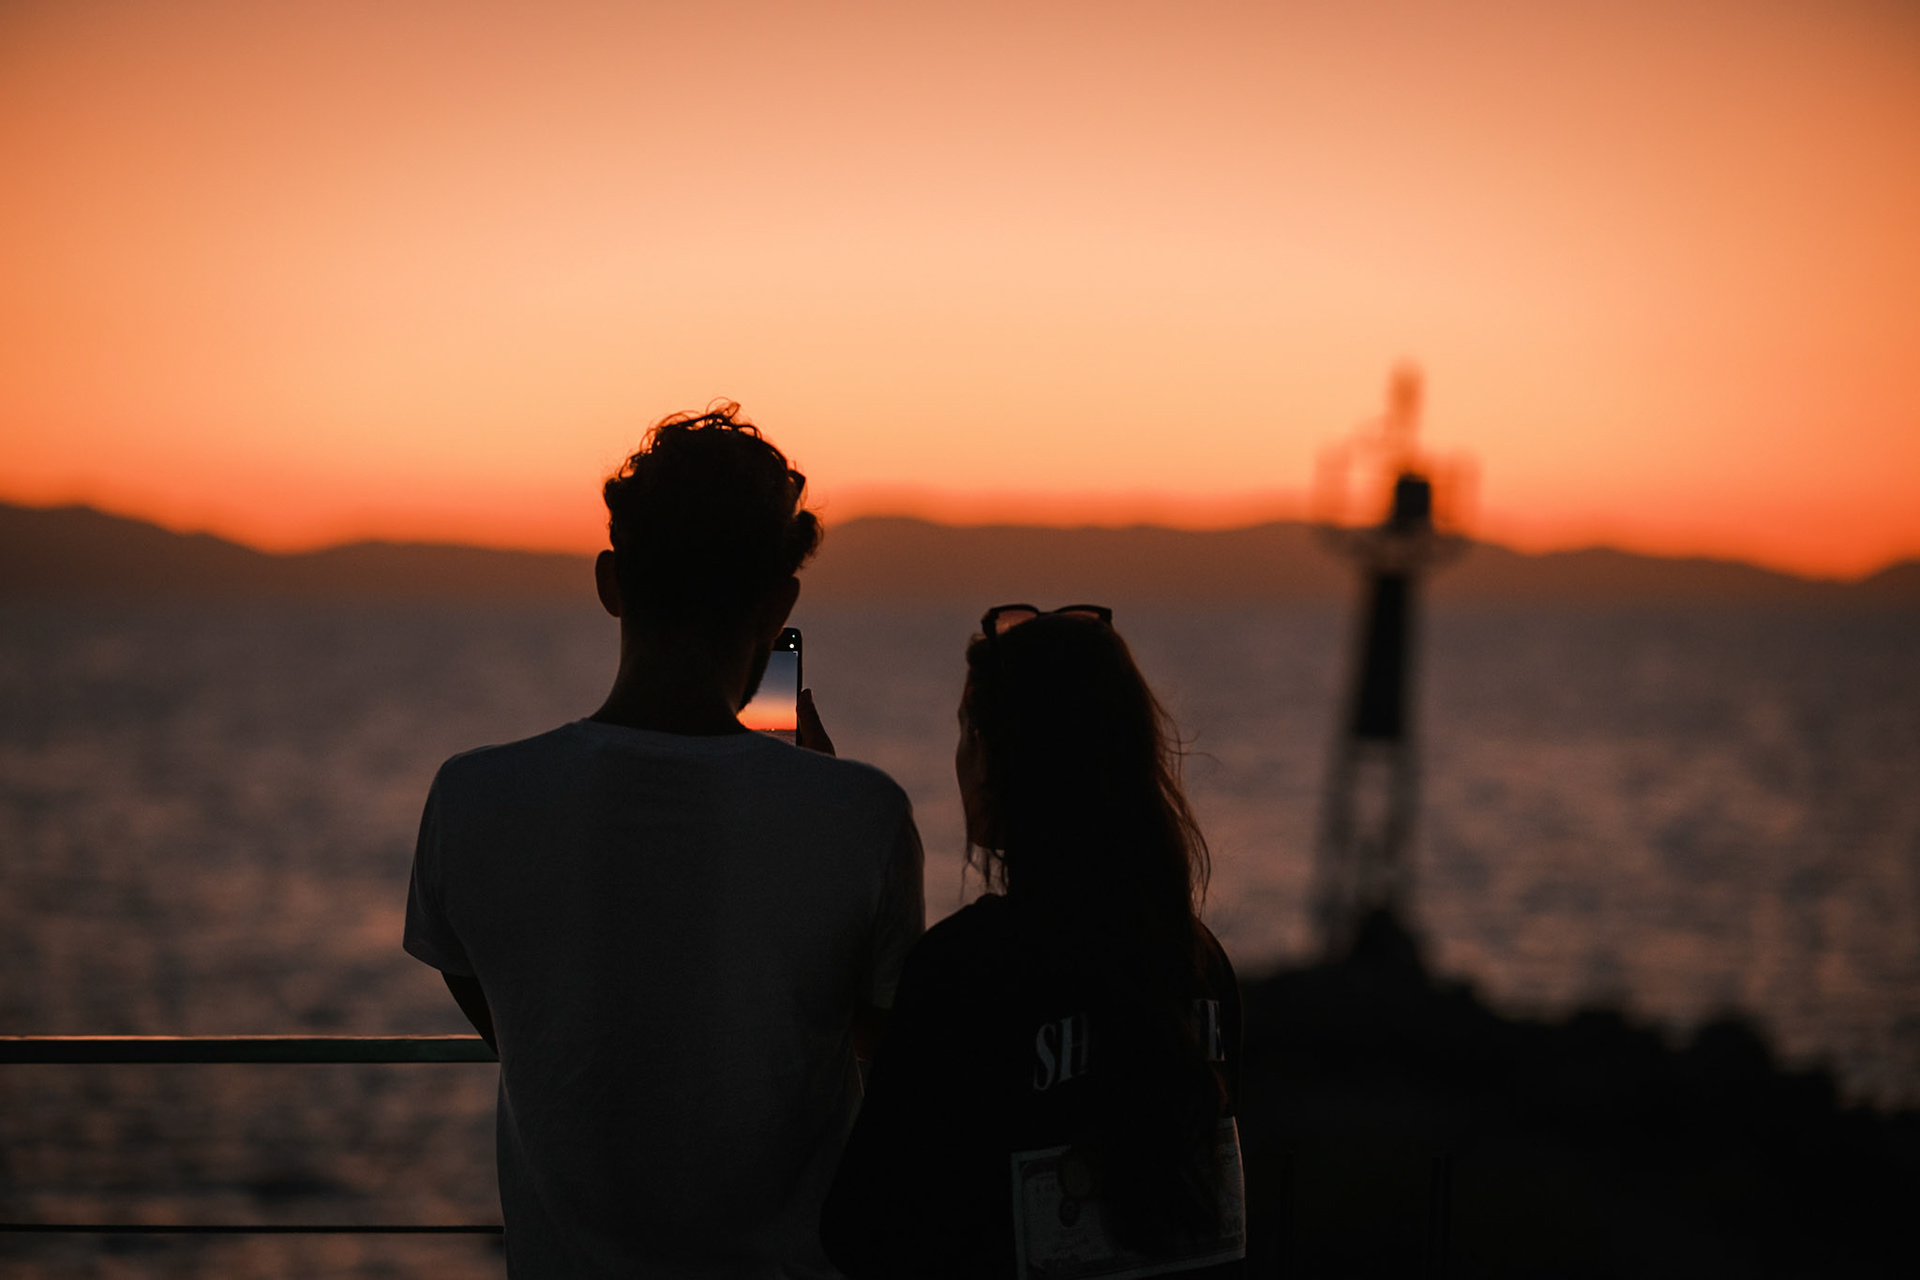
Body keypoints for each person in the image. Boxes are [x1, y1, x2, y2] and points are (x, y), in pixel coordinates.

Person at [404, 404, 924, 1278]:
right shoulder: (860, 815)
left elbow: (526, 1030)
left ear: (611, 582)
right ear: (779, 604)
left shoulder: (473, 798)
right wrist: (816, 785)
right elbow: (885, 1055)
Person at [822, 605, 1245, 1279]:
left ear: (993, 760)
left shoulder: (967, 973)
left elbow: (863, 1231)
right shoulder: (1198, 968)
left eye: (967, 731)